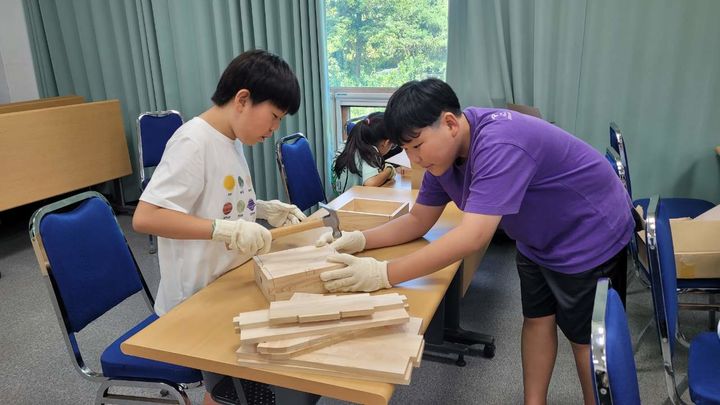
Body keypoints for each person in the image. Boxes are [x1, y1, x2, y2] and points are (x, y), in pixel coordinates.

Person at [316, 78, 633, 405]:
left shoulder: (498, 144)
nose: (413, 160)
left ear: (450, 123)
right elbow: (418, 220)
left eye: (417, 146)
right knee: (537, 319)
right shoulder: (443, 156)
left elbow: (472, 236)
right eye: (405, 150)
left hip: (589, 233)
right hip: (536, 235)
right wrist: (359, 239)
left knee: (584, 341)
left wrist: (382, 274)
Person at [132, 49, 317, 405]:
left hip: (227, 283)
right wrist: (223, 230)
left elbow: (219, 198)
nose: (274, 129)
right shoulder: (192, 141)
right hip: (195, 301)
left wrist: (261, 207)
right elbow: (147, 216)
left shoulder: (231, 139)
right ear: (243, 99)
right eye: (274, 117)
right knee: (234, 391)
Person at [331, 112, 396, 195]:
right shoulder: (370, 152)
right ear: (386, 143)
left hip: (338, 201)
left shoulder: (346, 145)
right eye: (392, 145)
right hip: (353, 205)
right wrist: (389, 170)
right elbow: (370, 184)